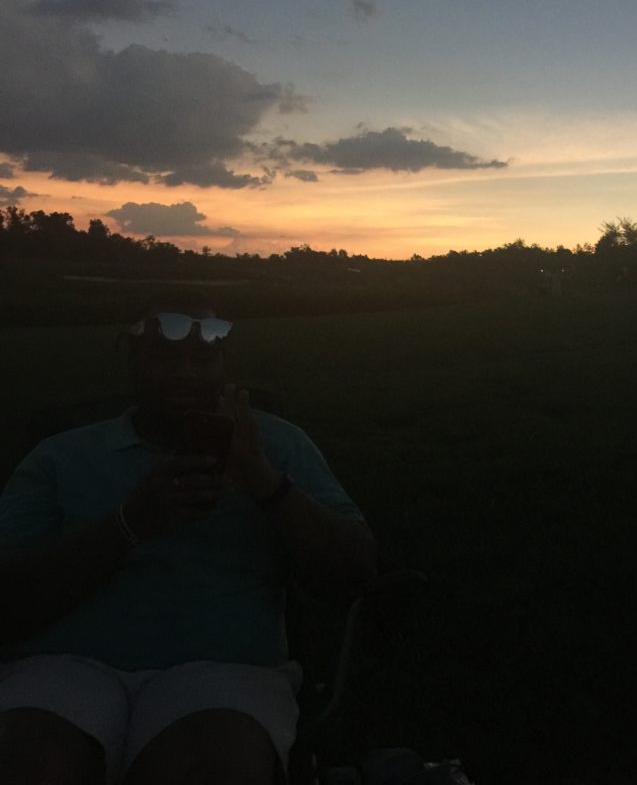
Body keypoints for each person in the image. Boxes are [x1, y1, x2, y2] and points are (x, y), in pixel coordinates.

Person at [0, 289, 377, 785]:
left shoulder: (277, 444)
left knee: (213, 765)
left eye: (203, 357)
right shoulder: (60, 456)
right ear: (132, 361)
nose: (185, 372)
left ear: (224, 364)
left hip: (225, 672)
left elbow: (354, 573)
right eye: (163, 355)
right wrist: (130, 524)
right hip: (62, 670)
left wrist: (264, 481)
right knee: (33, 762)